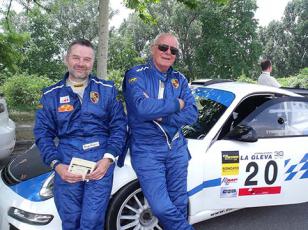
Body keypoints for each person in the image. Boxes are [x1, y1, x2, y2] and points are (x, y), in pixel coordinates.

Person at [34, 39, 127, 230]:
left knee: (92, 221)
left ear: (92, 62)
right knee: (71, 219)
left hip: (99, 160)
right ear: (66, 59)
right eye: (76, 57)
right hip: (67, 161)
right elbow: (43, 134)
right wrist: (56, 165)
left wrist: (108, 159)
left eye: (87, 59)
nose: (81, 63)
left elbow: (119, 127)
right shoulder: (51, 95)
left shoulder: (107, 90)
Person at [122, 32, 198, 230]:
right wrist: (177, 103)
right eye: (163, 47)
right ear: (153, 48)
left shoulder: (180, 79)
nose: (168, 52)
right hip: (147, 150)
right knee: (161, 208)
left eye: (173, 50)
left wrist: (162, 115)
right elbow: (142, 109)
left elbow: (192, 114)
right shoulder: (136, 74)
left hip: (177, 148)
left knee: (180, 202)